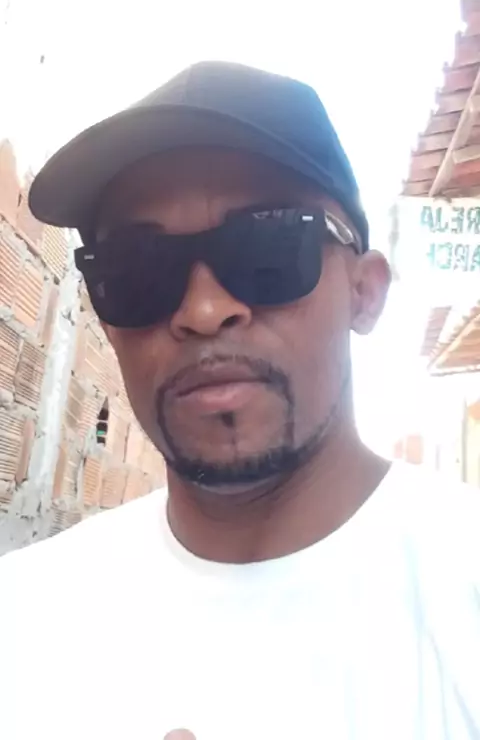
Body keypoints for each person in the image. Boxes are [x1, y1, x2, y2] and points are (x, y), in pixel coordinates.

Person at [1, 62, 479, 740]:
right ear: (105, 322)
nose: (203, 310)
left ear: (365, 292)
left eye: (267, 247)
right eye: (139, 269)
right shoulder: (22, 621)